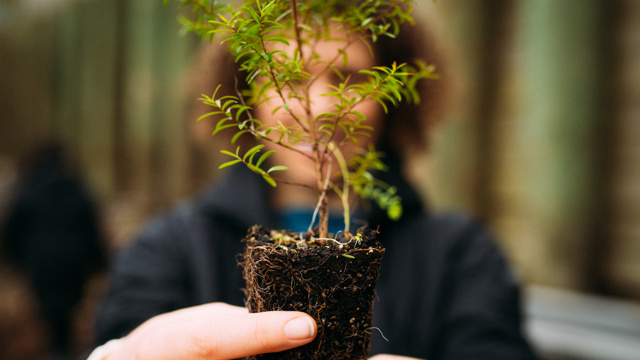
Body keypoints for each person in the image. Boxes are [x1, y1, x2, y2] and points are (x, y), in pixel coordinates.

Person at [89, 3, 536, 359]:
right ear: (247, 94)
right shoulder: (168, 249)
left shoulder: (460, 256)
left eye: (348, 77)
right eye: (288, 78)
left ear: (389, 97)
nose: (321, 107)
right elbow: (121, 334)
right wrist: (121, 355)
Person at [1, 142, 106, 359]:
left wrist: (16, 260)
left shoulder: (29, 189)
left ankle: (54, 350)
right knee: (64, 317)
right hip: (73, 267)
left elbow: (13, 229)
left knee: (49, 314)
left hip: (42, 264)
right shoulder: (77, 187)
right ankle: (62, 349)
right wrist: (97, 262)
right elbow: (91, 228)